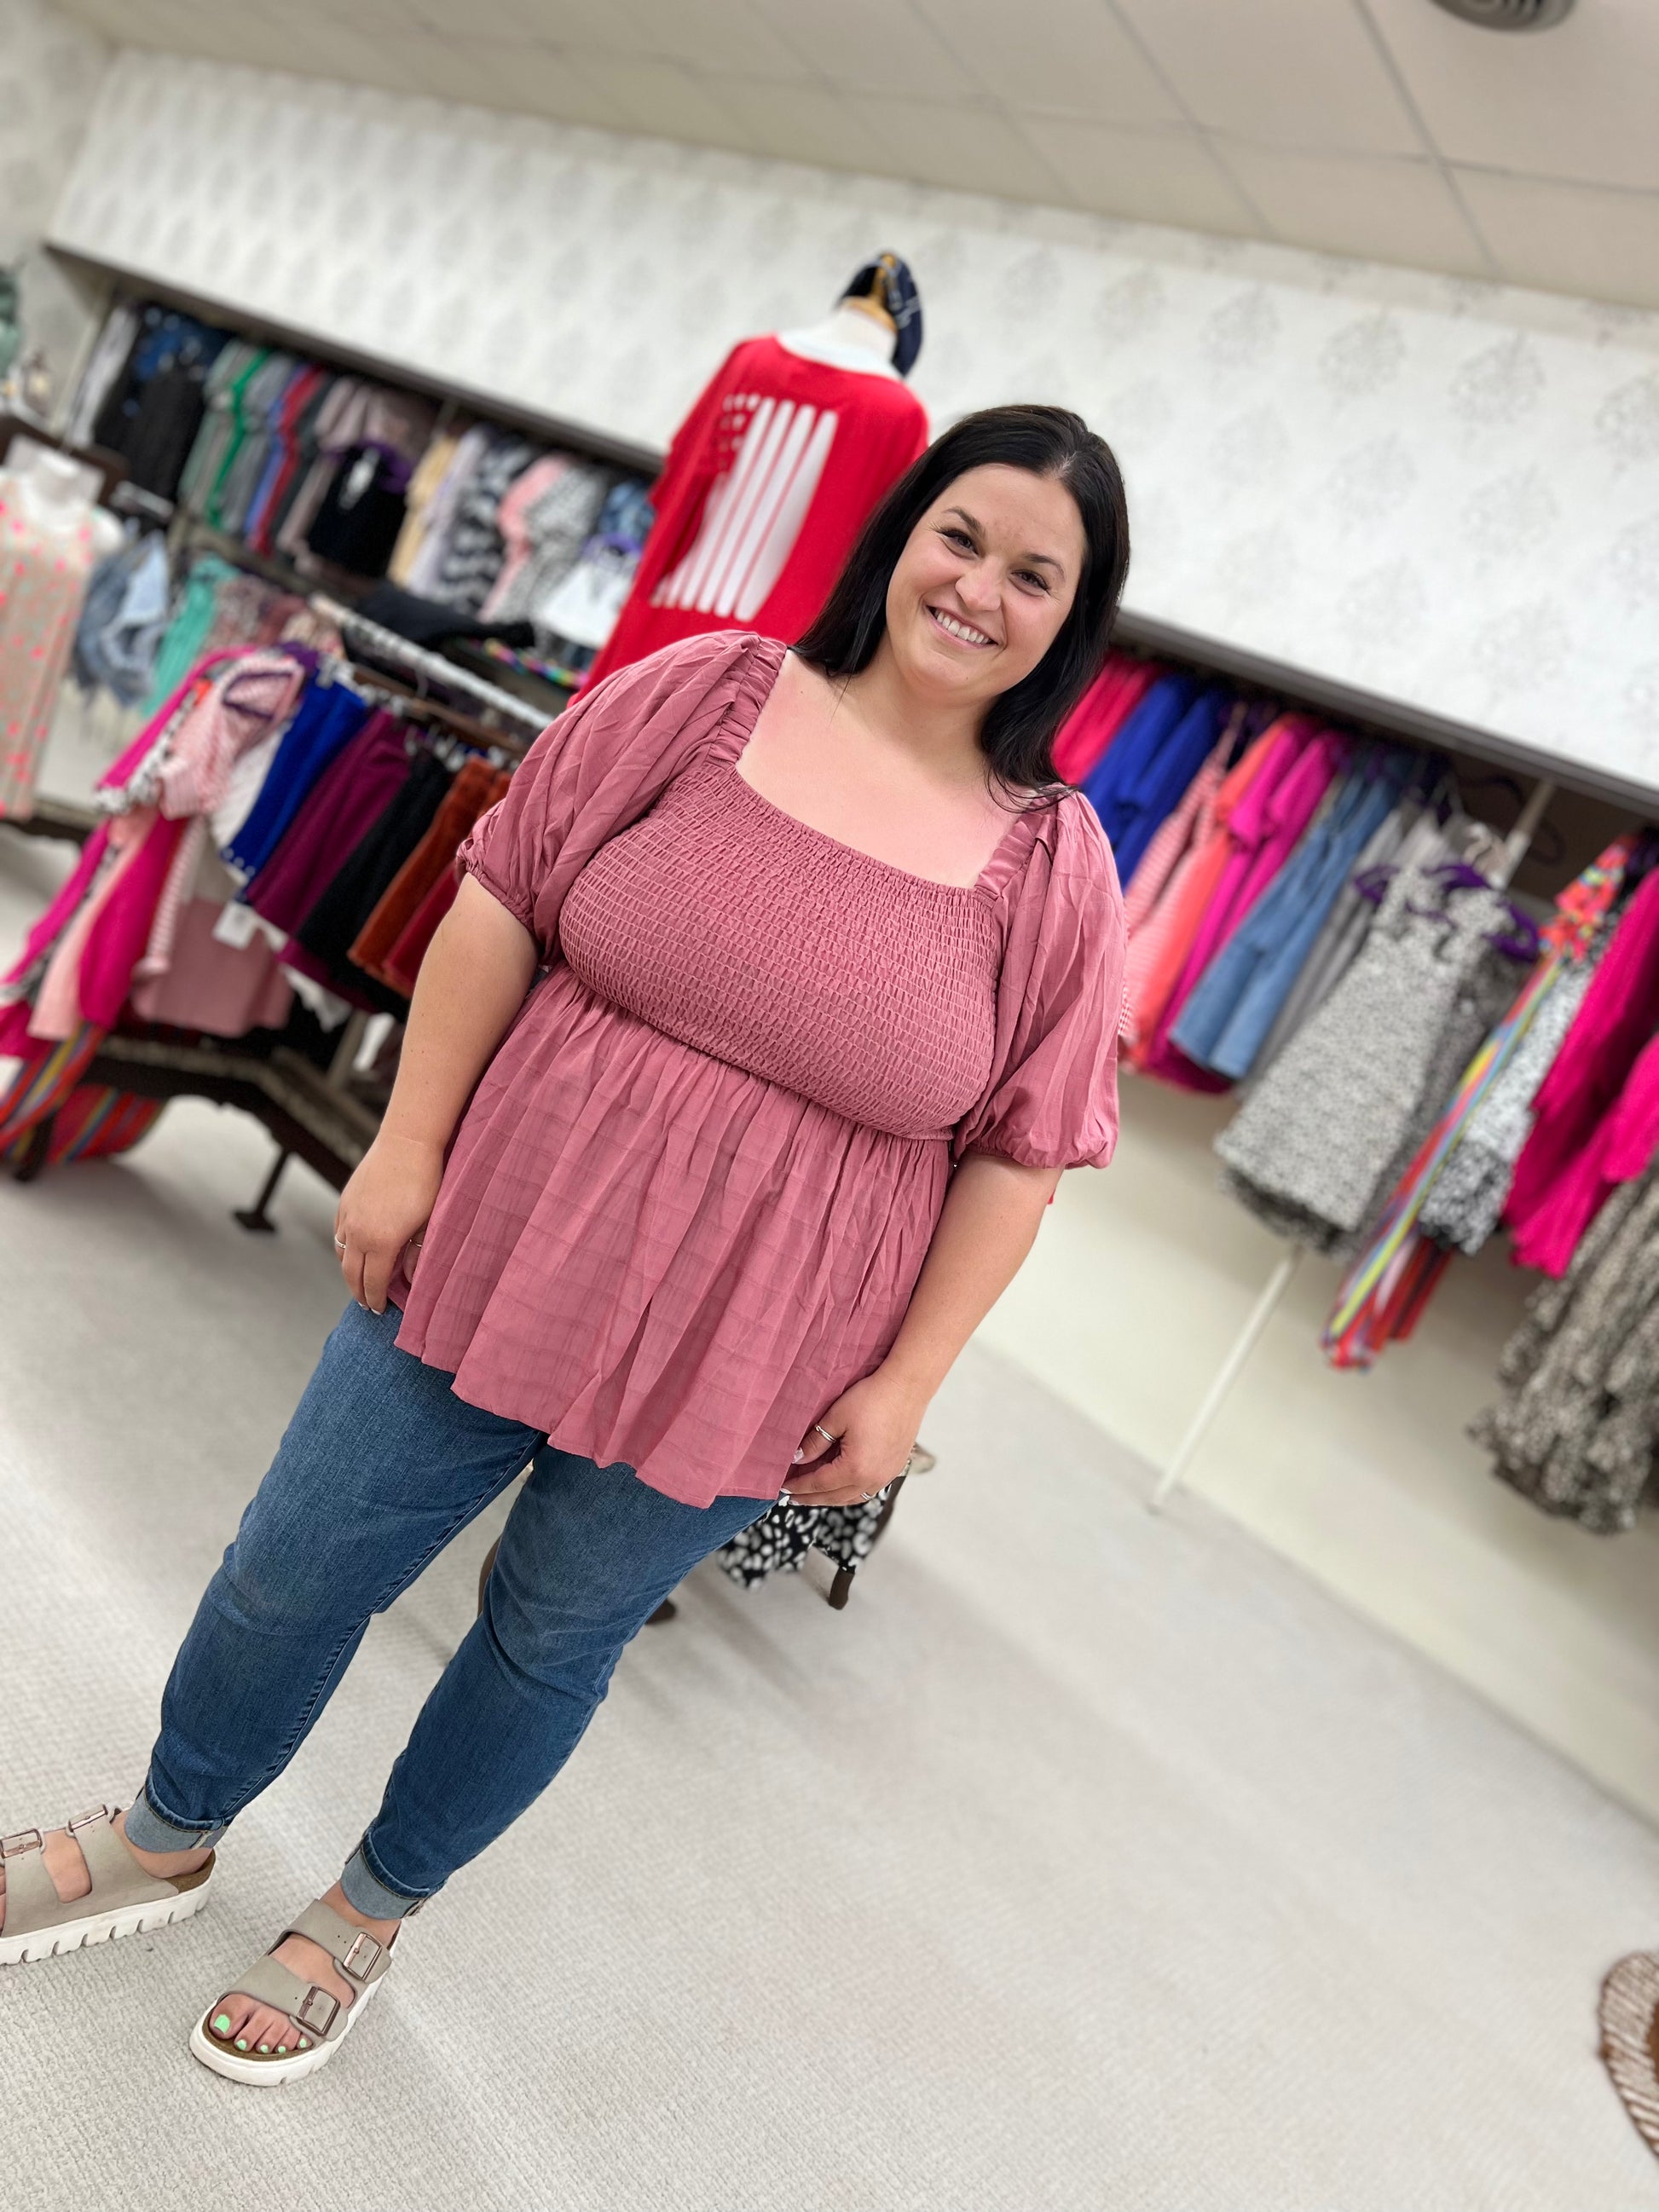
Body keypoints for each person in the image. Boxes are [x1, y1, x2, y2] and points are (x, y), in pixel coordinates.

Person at [0, 404, 1131, 2086]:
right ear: (901, 531)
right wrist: (405, 1145)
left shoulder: (1055, 868)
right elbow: (501, 895)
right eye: (960, 536)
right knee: (299, 1554)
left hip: (764, 1335)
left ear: (1072, 619)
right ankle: (168, 1831)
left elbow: (1022, 1158)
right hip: (508, 1225)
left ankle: (370, 1908)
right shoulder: (706, 693)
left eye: (1035, 574)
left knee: (550, 1634)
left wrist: (906, 1383)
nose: (979, 589)